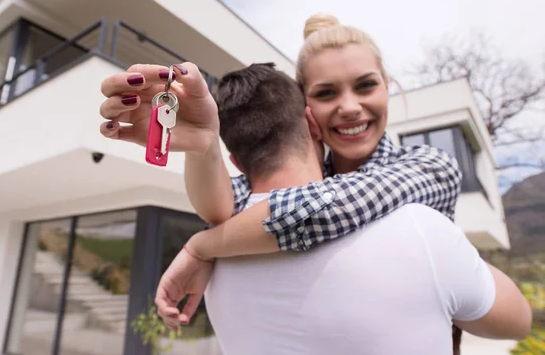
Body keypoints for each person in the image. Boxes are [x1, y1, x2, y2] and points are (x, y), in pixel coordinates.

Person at [165, 62, 531, 354]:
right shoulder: (420, 229)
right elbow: (517, 322)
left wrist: (201, 241)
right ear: (313, 123)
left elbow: (219, 204)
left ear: (237, 162)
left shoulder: (214, 260)